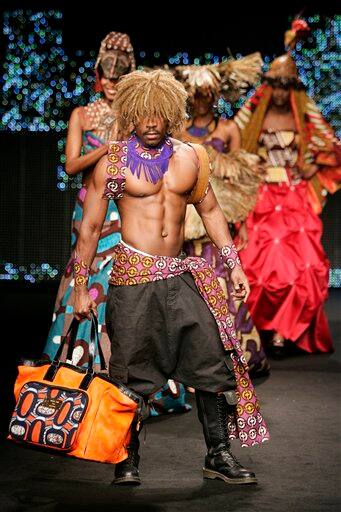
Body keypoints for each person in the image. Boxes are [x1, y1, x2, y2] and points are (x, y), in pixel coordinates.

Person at [72, 70, 269, 486]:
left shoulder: (191, 157)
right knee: (129, 373)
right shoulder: (113, 161)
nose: (149, 125)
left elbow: (212, 211)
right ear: (132, 115)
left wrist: (232, 262)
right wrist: (79, 288)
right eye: (142, 117)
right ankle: (127, 460)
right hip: (133, 281)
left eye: (157, 117)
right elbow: (88, 229)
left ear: (169, 115)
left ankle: (218, 455)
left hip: (181, 277)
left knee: (211, 364)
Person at [234, 20, 341, 357]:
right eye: (274, 85)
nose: (279, 92)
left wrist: (312, 165)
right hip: (262, 197)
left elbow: (332, 146)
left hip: (294, 197)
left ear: (293, 87)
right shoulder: (253, 117)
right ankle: (259, 331)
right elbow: (231, 145)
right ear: (267, 86)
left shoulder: (303, 117)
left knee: (301, 267)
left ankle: (283, 331)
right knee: (256, 266)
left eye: (285, 85)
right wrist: (251, 165)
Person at [42, 32, 135, 367]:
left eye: (118, 78)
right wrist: (103, 150)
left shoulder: (132, 117)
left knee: (112, 276)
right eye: (107, 77)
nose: (111, 83)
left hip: (122, 203)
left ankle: (111, 363)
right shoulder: (82, 115)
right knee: (85, 270)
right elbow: (69, 166)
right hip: (88, 204)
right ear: (99, 76)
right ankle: (77, 360)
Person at [175, 57, 270, 374]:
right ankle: (192, 358)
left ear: (215, 95)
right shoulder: (178, 131)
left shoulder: (228, 129)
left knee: (224, 284)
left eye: (208, 94)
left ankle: (237, 354)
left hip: (218, 211)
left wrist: (241, 224)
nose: (202, 100)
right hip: (186, 215)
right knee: (190, 286)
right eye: (197, 94)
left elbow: (241, 178)